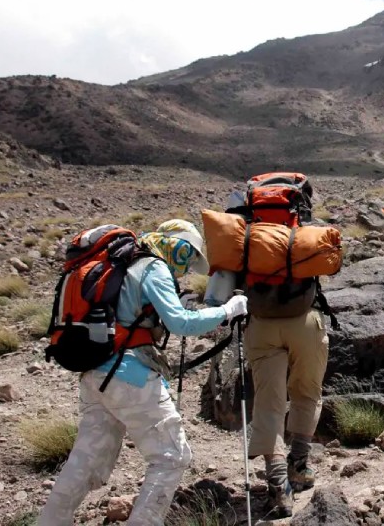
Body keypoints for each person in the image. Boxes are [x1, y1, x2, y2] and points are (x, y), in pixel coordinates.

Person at [38, 220, 248, 526]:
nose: (185, 265)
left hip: (95, 375)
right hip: (129, 377)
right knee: (172, 457)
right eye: (186, 255)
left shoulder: (124, 266)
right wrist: (229, 310)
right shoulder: (152, 267)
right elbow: (182, 324)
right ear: (176, 245)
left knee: (85, 462)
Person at [205, 270, 329, 519]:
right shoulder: (300, 236)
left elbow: (217, 293)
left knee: (268, 402)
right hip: (305, 321)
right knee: (307, 392)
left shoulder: (245, 242)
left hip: (261, 325)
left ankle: (279, 484)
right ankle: (299, 466)